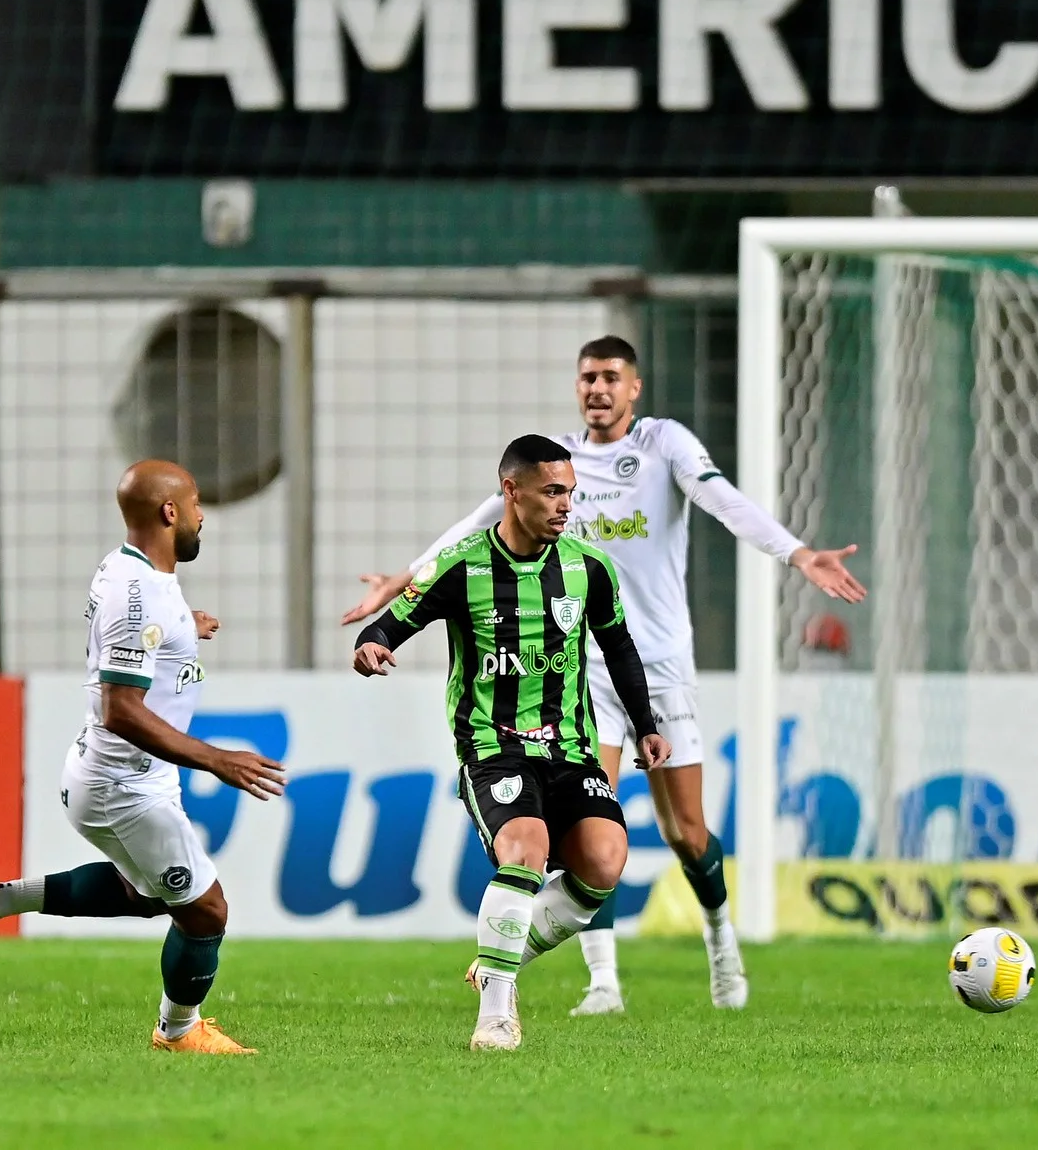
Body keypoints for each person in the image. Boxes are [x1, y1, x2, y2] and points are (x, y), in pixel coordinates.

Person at [344, 336, 864, 1014]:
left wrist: (795, 554)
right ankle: (602, 984)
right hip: (576, 667)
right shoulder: (553, 461)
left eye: (610, 377)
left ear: (635, 387)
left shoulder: (664, 444)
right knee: (597, 820)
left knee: (687, 832)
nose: (597, 388)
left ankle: (721, 948)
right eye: (587, 376)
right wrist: (408, 577)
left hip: (659, 663)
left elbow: (723, 500)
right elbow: (478, 524)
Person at [0, 460, 285, 1056]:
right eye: (196, 503)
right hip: (124, 785)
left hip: (117, 776)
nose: (203, 516)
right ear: (170, 513)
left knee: (151, 894)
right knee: (205, 911)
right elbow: (121, 707)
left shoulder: (129, 568)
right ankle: (178, 1031)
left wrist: (180, 628)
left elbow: (135, 637)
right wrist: (216, 760)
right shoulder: (138, 592)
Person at [353, 434, 672, 1052]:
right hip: (492, 744)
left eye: (571, 494)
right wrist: (373, 644)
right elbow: (392, 621)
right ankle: (496, 1013)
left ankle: (502, 958)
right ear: (512, 490)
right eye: (553, 492)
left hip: (570, 747)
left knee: (604, 862)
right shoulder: (461, 565)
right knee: (525, 850)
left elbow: (620, 648)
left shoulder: (588, 567)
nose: (565, 506)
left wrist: (646, 723)